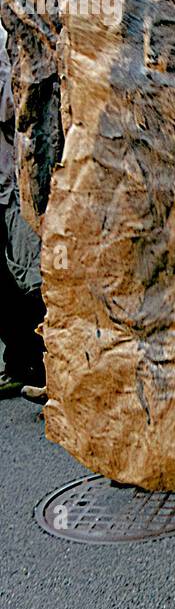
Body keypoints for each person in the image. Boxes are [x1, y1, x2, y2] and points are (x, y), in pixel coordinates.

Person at [0, 22, 46, 400]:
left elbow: (14, 104)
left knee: (28, 277)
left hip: (15, 177)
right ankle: (24, 361)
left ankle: (43, 365)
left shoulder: (5, 38)